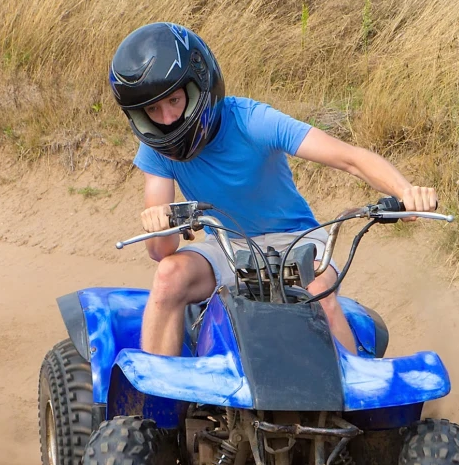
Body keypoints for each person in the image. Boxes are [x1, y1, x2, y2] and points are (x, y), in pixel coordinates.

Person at [109, 22, 438, 357]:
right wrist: (159, 223)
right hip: (227, 246)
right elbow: (161, 251)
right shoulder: (156, 149)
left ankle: (354, 388)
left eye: (175, 100)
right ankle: (158, 389)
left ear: (199, 85)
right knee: (168, 276)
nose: (167, 119)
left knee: (318, 296)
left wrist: (405, 191)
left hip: (295, 238)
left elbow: (350, 159)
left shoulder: (251, 121)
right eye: (153, 110)